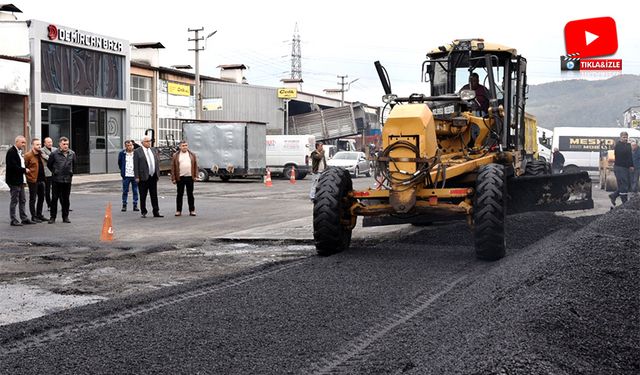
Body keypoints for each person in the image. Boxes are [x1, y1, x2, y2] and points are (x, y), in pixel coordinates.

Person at [5, 135, 35, 226]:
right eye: (22, 142)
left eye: (25, 142)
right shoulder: (11, 152)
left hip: (20, 180)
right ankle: (13, 220)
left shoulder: (19, 152)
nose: (24, 144)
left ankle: (24, 218)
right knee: (15, 200)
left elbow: (20, 164)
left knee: (23, 200)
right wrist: (24, 170)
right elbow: (12, 166)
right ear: (17, 142)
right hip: (14, 180)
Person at [47, 137, 76, 224]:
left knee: (66, 199)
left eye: (67, 144)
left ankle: (65, 217)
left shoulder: (72, 153)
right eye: (64, 144)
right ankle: (52, 217)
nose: (66, 146)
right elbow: (49, 164)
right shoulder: (54, 154)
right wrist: (55, 171)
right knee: (54, 199)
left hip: (67, 179)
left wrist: (70, 172)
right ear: (60, 144)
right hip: (56, 179)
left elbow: (74, 164)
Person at [134, 135, 163, 218]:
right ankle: (143, 211)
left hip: (153, 176)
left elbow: (156, 162)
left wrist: (157, 173)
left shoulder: (153, 150)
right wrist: (136, 176)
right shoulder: (137, 151)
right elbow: (135, 165)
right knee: (143, 195)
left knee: (154, 195)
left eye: (149, 141)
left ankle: (156, 211)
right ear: (142, 142)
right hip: (143, 177)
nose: (149, 142)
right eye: (147, 141)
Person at [170, 140, 198, 216]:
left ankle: (192, 210)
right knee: (179, 194)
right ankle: (178, 210)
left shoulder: (192, 155)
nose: (185, 147)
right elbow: (173, 168)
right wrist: (173, 178)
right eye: (183, 146)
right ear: (180, 147)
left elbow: (195, 166)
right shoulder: (176, 155)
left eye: (186, 145)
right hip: (180, 178)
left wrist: (195, 176)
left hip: (189, 177)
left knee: (190, 194)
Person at [24, 138, 48, 223]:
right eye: (37, 145)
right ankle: (33, 217)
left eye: (40, 144)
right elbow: (25, 167)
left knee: (41, 198)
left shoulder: (41, 154)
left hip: (42, 179)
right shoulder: (28, 155)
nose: (39, 146)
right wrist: (28, 177)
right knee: (33, 199)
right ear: (32, 145)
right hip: (33, 180)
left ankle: (39, 215)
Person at [609, 131, 633, 207]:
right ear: (620, 138)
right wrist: (629, 147)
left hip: (626, 167)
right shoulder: (618, 145)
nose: (625, 139)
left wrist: (631, 165)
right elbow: (623, 153)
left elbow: (630, 156)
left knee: (627, 184)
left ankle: (614, 195)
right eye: (624, 137)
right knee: (623, 184)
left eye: (626, 137)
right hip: (619, 167)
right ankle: (624, 202)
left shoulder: (628, 145)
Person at [118, 140, 139, 212]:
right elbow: (120, 163)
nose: (129, 147)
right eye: (128, 145)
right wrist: (123, 171)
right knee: (125, 191)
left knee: (135, 190)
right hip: (126, 175)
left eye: (130, 145)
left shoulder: (136, 153)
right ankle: (124, 205)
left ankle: (135, 205)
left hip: (134, 175)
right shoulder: (122, 153)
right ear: (125, 146)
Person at [41, 137, 56, 211]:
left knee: (57, 190)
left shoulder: (55, 149)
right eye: (48, 142)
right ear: (44, 143)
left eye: (51, 142)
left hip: (55, 172)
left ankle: (63, 205)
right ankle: (49, 205)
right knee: (47, 191)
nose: (50, 143)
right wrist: (55, 158)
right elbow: (47, 158)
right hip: (47, 173)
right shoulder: (42, 150)